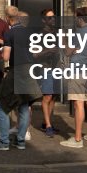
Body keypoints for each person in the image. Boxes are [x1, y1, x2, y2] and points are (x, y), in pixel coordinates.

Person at [0, 7, 39, 152]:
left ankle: (3, 142)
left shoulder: (10, 33)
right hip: (30, 71)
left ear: (9, 19)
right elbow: (36, 54)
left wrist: (3, 49)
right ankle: (20, 141)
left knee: (2, 106)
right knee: (23, 106)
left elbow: (6, 58)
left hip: (17, 71)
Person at [62, 7, 87, 147]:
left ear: (80, 18)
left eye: (75, 17)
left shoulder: (77, 34)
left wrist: (64, 40)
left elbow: (67, 52)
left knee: (78, 104)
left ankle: (78, 139)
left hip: (77, 71)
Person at [36, 8, 60, 137]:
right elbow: (34, 54)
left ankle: (46, 123)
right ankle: (48, 126)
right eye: (50, 17)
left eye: (54, 17)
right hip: (45, 68)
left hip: (57, 68)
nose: (53, 19)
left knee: (54, 96)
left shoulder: (56, 33)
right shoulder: (39, 34)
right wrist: (48, 50)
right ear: (43, 20)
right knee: (47, 96)